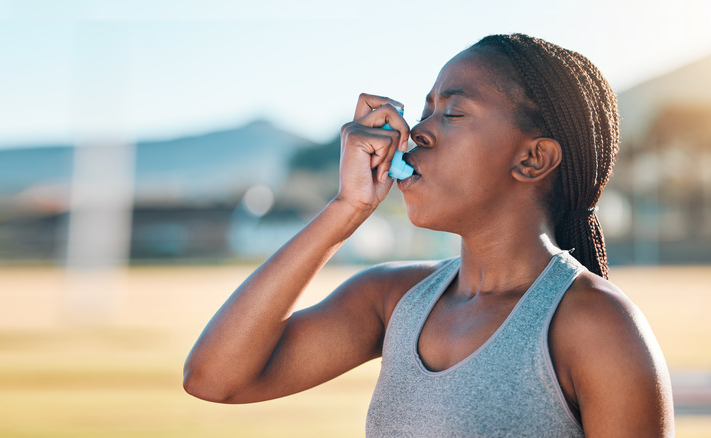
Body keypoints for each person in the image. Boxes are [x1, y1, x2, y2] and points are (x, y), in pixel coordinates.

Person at [183, 33, 674, 436]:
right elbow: (214, 378)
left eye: (453, 113)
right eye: (425, 110)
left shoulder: (596, 326)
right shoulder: (392, 299)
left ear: (532, 159)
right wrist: (347, 208)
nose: (417, 132)